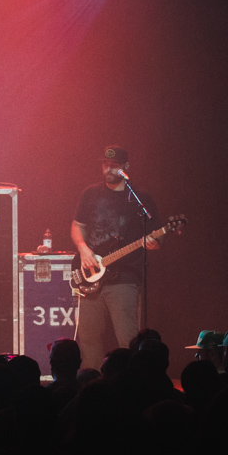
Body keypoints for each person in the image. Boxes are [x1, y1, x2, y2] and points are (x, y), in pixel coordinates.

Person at [71, 146, 160, 370]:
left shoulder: (140, 199)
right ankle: (92, 384)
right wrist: (83, 249)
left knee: (128, 339)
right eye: (105, 164)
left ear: (126, 167)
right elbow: (77, 226)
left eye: (114, 165)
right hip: (91, 274)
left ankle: (129, 384)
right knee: (89, 338)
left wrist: (153, 242)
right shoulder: (90, 193)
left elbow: (156, 238)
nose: (108, 169)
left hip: (125, 277)